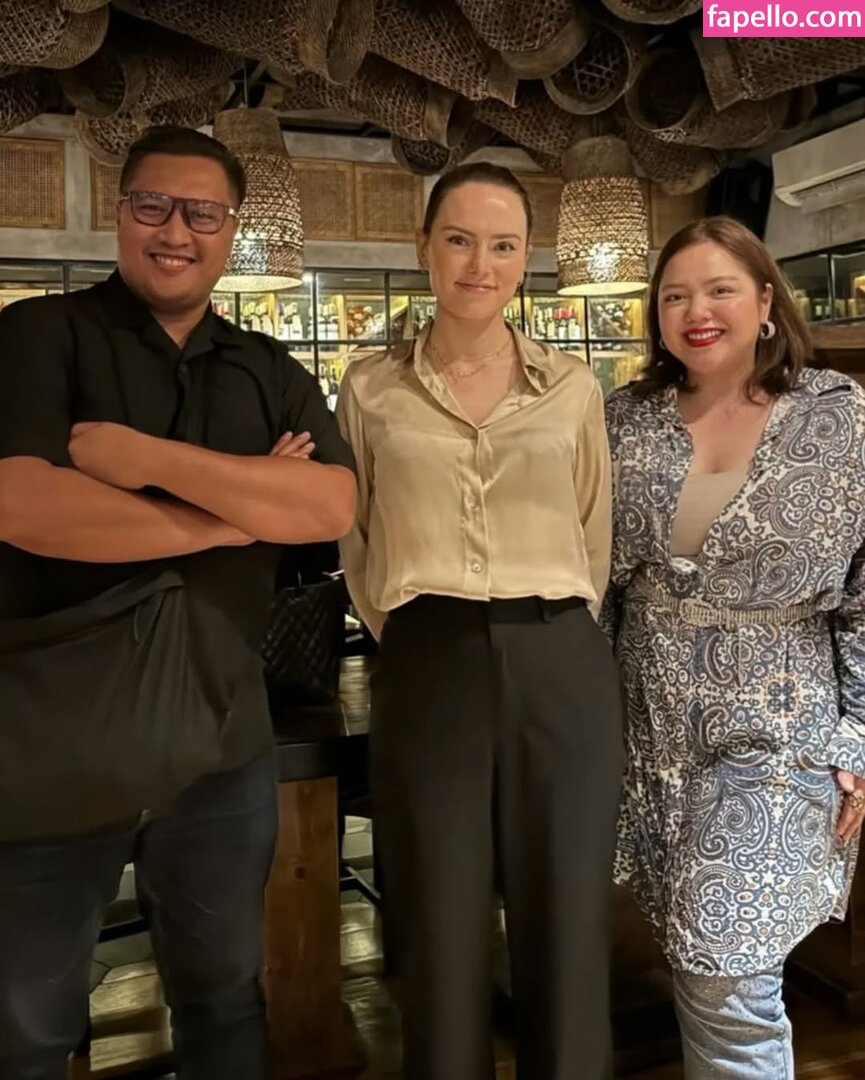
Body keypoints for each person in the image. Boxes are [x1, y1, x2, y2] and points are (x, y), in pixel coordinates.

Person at [0, 125, 356, 1080]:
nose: (175, 231)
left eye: (202, 213)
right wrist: (231, 516)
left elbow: (328, 504)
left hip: (221, 742)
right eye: (153, 206)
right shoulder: (39, 335)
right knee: (26, 1028)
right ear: (121, 214)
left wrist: (141, 463)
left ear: (231, 228)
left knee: (225, 997)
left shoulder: (267, 368)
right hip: (51, 744)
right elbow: (23, 505)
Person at [336, 161, 623, 1080]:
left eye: (502, 246)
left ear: (526, 257)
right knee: (436, 924)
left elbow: (593, 534)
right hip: (428, 656)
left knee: (566, 922)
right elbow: (357, 540)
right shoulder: (369, 387)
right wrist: (421, 637)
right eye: (458, 240)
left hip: (560, 659)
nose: (478, 264)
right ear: (423, 247)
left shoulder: (572, 386)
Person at [603, 214, 865, 1079]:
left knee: (724, 963)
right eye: (674, 296)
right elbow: (593, 578)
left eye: (719, 289)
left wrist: (860, 735)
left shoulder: (834, 417)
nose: (696, 311)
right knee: (698, 957)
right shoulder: (625, 419)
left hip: (781, 730)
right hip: (651, 732)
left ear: (764, 301)